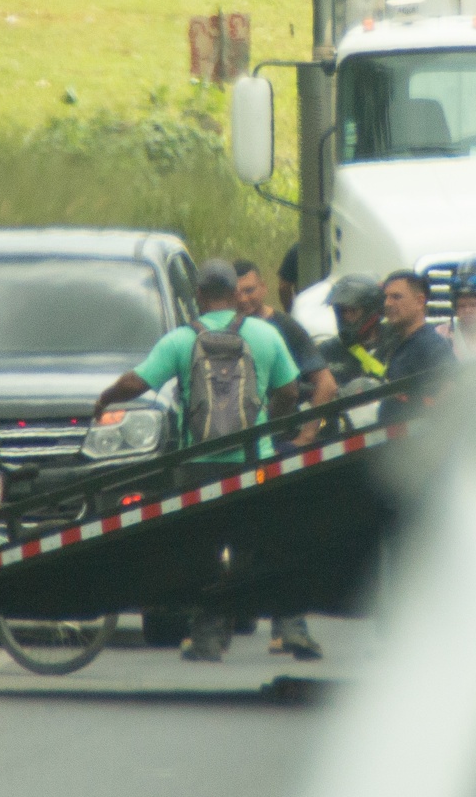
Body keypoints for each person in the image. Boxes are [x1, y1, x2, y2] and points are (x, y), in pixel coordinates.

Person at [95, 260, 304, 661]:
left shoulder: (181, 340)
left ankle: (208, 637)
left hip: (199, 464)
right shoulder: (265, 334)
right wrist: (268, 424)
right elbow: (291, 391)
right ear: (236, 293)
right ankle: (292, 625)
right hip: (253, 459)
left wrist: (105, 398)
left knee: (205, 552)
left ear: (199, 296)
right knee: (265, 541)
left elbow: (136, 382)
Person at [233, 257, 336, 662]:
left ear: (264, 289)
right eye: (237, 292)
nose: (244, 299)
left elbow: (325, 384)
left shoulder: (285, 328)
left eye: (250, 290)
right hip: (238, 450)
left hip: (278, 449)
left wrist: (307, 434)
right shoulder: (223, 330)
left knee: (279, 534)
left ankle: (285, 628)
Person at [377, 270, 461, 400]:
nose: (387, 303)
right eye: (386, 297)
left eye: (396, 297)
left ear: (420, 302)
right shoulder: (389, 343)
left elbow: (449, 397)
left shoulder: (433, 347)